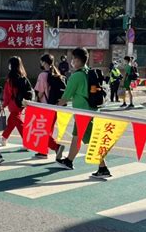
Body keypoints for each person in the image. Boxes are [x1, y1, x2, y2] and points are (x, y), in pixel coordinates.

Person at [56, 48, 111, 178]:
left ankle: (103, 168)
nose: (71, 61)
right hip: (89, 112)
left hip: (84, 114)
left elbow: (65, 97)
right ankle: (69, 160)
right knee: (76, 137)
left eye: (73, 58)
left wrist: (55, 106)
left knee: (92, 141)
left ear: (77, 60)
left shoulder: (76, 76)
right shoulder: (88, 72)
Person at [33, 53, 65, 159]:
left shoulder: (42, 75)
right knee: (48, 130)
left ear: (44, 62)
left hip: (45, 107)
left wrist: (35, 100)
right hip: (54, 106)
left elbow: (40, 92)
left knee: (43, 131)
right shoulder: (56, 74)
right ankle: (43, 151)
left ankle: (56, 147)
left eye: (41, 61)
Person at [1, 56, 28, 147]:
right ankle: (4, 138)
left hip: (13, 104)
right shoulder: (23, 76)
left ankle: (26, 140)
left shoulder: (10, 78)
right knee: (12, 121)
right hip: (21, 103)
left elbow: (7, 94)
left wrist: (4, 104)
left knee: (18, 123)